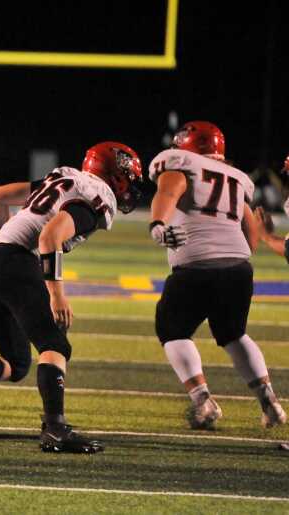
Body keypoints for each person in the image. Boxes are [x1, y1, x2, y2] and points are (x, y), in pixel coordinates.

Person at [0, 141, 145, 453]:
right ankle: (55, 428)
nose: (129, 187)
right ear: (115, 176)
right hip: (13, 260)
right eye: (128, 178)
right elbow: (49, 237)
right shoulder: (97, 197)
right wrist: (57, 294)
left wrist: (7, 234)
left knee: (16, 362)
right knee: (55, 345)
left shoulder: (64, 178)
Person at [148, 121, 285, 430]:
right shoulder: (237, 178)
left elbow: (170, 190)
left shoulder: (179, 164)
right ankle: (270, 404)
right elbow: (250, 239)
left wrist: (157, 224)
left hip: (196, 267)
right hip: (238, 269)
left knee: (172, 330)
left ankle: (202, 402)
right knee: (234, 334)